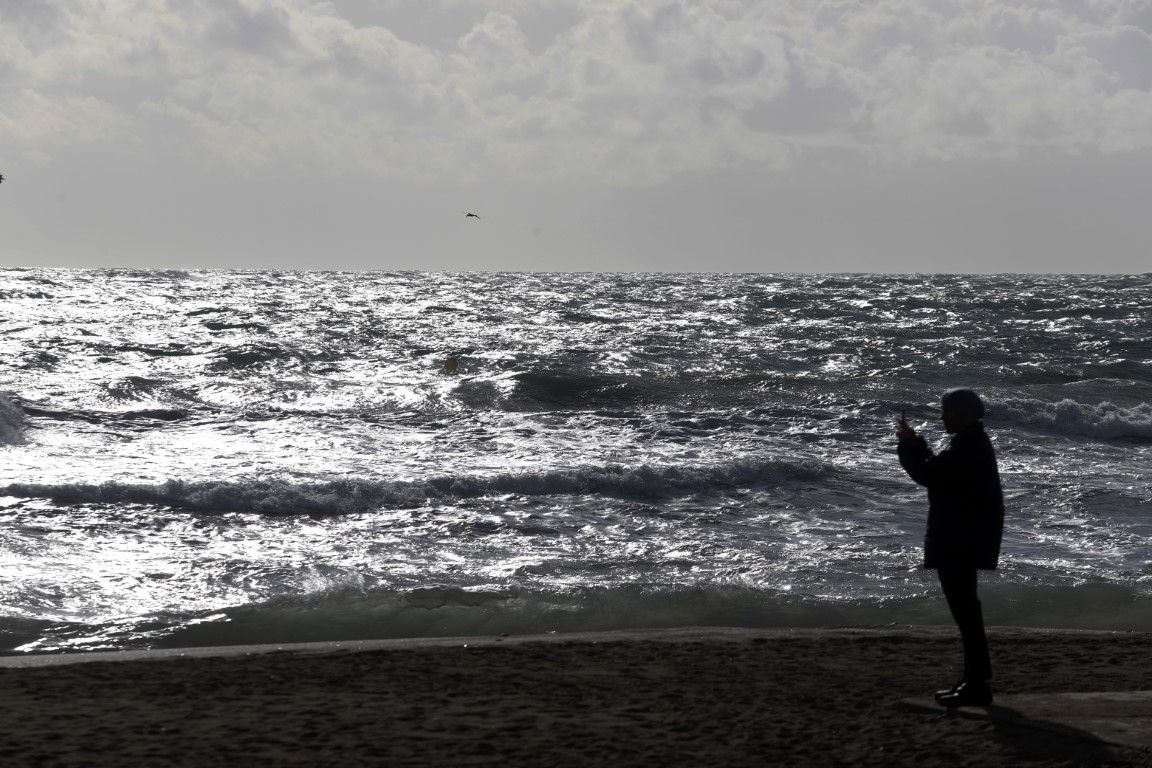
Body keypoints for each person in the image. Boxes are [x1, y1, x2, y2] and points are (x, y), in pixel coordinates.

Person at [896, 388, 1004, 707]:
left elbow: (929, 473)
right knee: (967, 612)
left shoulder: (969, 447)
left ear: (965, 414)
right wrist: (917, 445)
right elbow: (938, 472)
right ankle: (974, 680)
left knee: (966, 613)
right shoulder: (970, 443)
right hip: (964, 540)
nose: (943, 417)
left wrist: (909, 445)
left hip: (960, 541)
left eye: (948, 411)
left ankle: (977, 684)